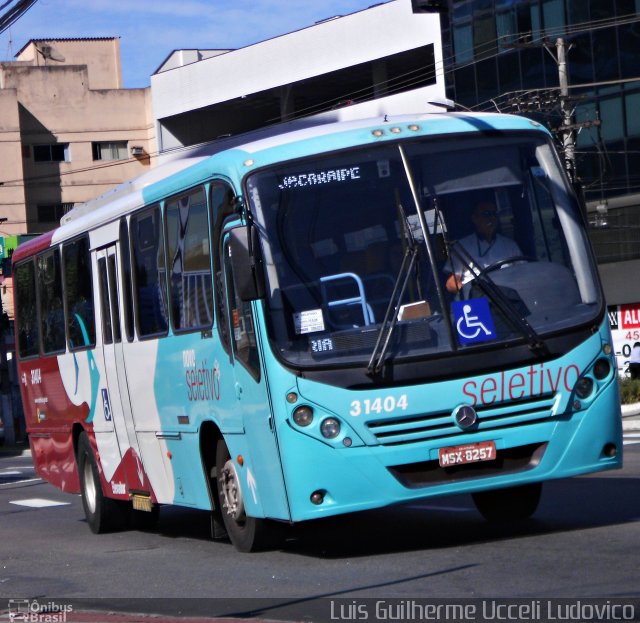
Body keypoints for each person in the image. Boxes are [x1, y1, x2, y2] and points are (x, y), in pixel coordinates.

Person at [445, 200, 522, 293]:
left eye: (494, 214)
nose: (492, 218)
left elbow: (524, 273)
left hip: (506, 299)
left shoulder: (510, 245)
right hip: (476, 298)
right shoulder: (461, 246)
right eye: (487, 214)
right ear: (475, 218)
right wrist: (465, 290)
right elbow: (452, 282)